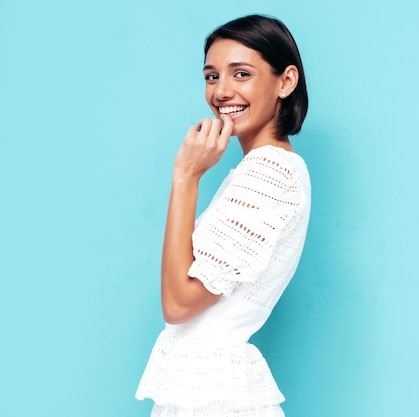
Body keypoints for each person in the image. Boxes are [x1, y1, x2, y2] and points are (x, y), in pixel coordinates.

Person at [135, 14, 310, 417]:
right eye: (211, 76)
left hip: (214, 396)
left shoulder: (270, 171)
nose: (222, 91)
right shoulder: (261, 170)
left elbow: (179, 305)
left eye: (241, 73)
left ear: (286, 81)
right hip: (207, 389)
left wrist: (185, 177)